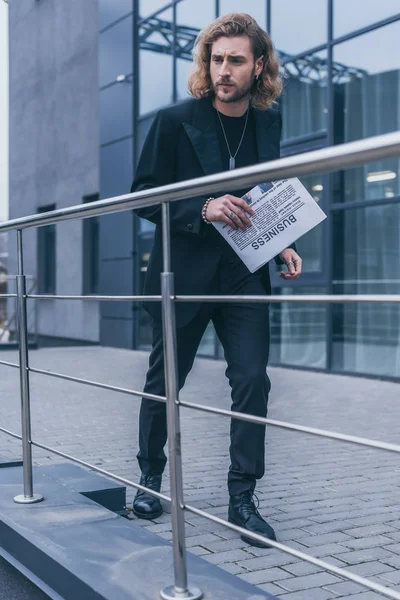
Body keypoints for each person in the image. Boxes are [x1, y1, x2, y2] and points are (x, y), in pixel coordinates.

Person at [130, 13, 302, 547]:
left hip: (244, 271)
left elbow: (267, 192)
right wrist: (203, 206)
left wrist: (284, 240)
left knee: (253, 380)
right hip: (184, 270)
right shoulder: (174, 120)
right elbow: (142, 197)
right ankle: (150, 477)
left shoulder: (268, 123)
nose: (223, 70)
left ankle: (242, 496)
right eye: (216, 59)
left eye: (236, 60)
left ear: (259, 68)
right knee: (167, 380)